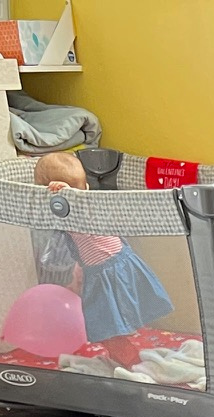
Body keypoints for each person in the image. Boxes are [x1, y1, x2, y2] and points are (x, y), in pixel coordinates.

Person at [33, 150, 174, 372]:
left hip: (111, 272)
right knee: (110, 326)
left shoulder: (75, 209)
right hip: (111, 266)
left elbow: (74, 210)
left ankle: (132, 364)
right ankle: (127, 358)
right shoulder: (84, 203)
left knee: (103, 327)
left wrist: (65, 195)